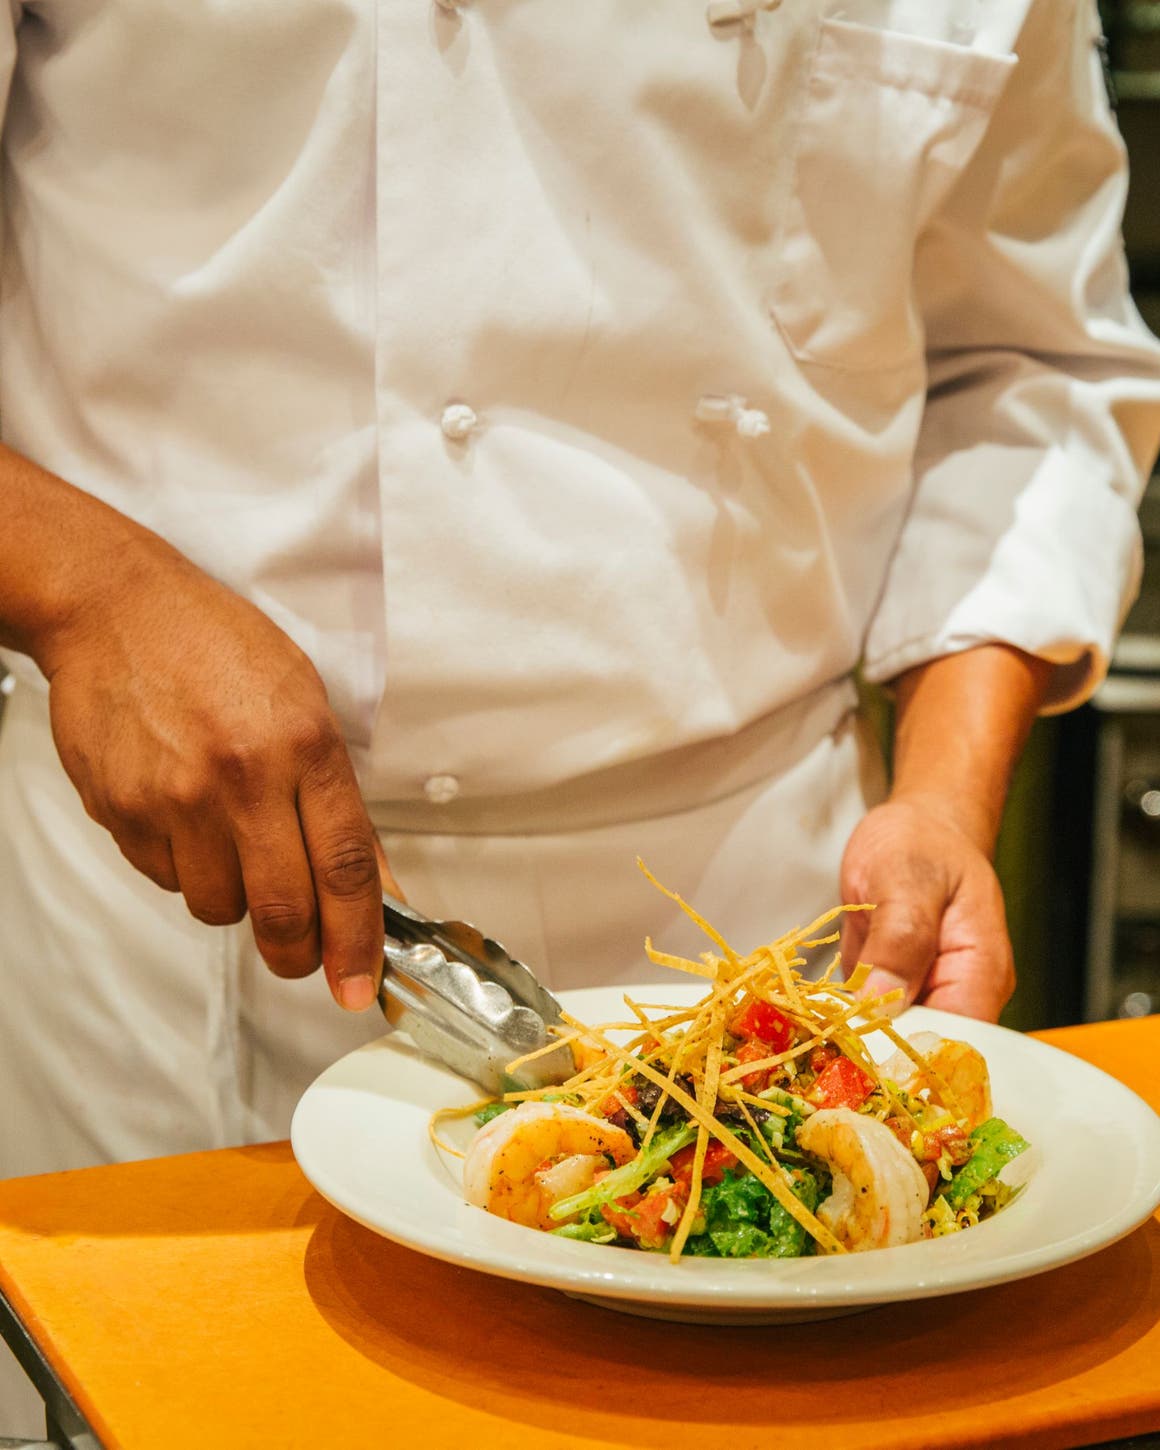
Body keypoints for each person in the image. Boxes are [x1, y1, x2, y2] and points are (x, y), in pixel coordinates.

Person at [1, 0, 1159, 1174]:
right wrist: (90, 591)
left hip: (763, 910)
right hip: (174, 924)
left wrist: (942, 801)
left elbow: (1025, 367)